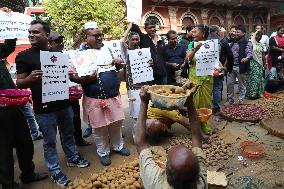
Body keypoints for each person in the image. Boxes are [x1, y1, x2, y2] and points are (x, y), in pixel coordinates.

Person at [16, 20, 89, 187]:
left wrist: (71, 74)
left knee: (68, 133)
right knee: (49, 141)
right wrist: (29, 79)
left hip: (64, 104)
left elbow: (66, 77)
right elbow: (19, 83)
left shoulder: (58, 54)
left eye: (36, 32)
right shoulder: (24, 56)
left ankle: (72, 158)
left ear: (47, 35)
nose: (31, 35)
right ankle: (55, 170)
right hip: (44, 109)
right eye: (30, 32)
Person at [69, 22, 130, 166]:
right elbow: (72, 76)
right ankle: (103, 152)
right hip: (93, 98)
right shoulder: (78, 55)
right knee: (99, 128)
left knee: (116, 124)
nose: (100, 38)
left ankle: (118, 146)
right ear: (86, 37)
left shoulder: (109, 49)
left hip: (113, 96)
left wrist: (118, 62)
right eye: (96, 36)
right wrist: (84, 79)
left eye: (100, 35)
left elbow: (121, 63)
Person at [0, 9, 48, 188]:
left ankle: (28, 173)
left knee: (25, 142)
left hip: (14, 105)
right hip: (0, 110)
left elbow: (9, 46)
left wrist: (6, 19)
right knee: (3, 149)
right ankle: (8, 183)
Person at [136, 85, 207, 189]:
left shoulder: (156, 183)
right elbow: (196, 136)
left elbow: (140, 143)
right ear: (197, 175)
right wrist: (190, 101)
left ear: (167, 175)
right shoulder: (201, 182)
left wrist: (143, 103)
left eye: (167, 161)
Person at [48, 31, 91, 146]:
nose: (60, 43)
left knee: (76, 118)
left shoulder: (69, 55)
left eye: (61, 41)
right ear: (50, 44)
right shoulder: (47, 58)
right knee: (65, 123)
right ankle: (71, 149)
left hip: (72, 94)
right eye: (57, 41)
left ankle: (79, 140)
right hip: (59, 96)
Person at [130, 19, 167, 85]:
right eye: (150, 28)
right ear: (145, 29)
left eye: (153, 27)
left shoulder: (161, 40)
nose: (152, 29)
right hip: (149, 75)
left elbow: (164, 56)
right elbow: (134, 28)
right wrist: (132, 20)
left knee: (163, 93)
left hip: (162, 74)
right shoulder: (143, 39)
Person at [186, 24, 213, 109]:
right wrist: (195, 49)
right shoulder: (192, 44)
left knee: (206, 101)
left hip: (206, 77)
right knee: (194, 99)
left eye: (195, 32)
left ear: (203, 33)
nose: (193, 34)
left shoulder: (210, 44)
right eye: (192, 32)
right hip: (194, 77)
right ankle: (195, 120)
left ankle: (204, 120)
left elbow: (214, 60)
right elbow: (187, 59)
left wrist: (220, 66)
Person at [209, 25, 234, 115]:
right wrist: (229, 68)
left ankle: (206, 108)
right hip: (218, 70)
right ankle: (216, 108)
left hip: (205, 70)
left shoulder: (204, 41)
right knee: (217, 88)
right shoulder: (223, 41)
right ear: (217, 32)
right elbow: (230, 56)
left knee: (207, 88)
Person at [227, 25, 253, 104]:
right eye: (235, 32)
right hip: (231, 66)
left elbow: (250, 53)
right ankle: (230, 100)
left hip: (241, 67)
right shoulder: (233, 41)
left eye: (238, 32)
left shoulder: (247, 42)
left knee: (242, 85)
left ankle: (241, 100)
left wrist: (246, 58)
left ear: (244, 33)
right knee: (230, 84)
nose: (236, 33)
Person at [246, 31, 265, 99]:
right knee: (253, 79)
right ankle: (252, 94)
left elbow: (263, 55)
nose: (259, 37)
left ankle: (259, 93)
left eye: (260, 36)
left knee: (259, 78)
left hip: (260, 64)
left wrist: (264, 63)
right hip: (252, 63)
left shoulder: (261, 44)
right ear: (254, 36)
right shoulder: (250, 43)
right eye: (258, 36)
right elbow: (248, 53)